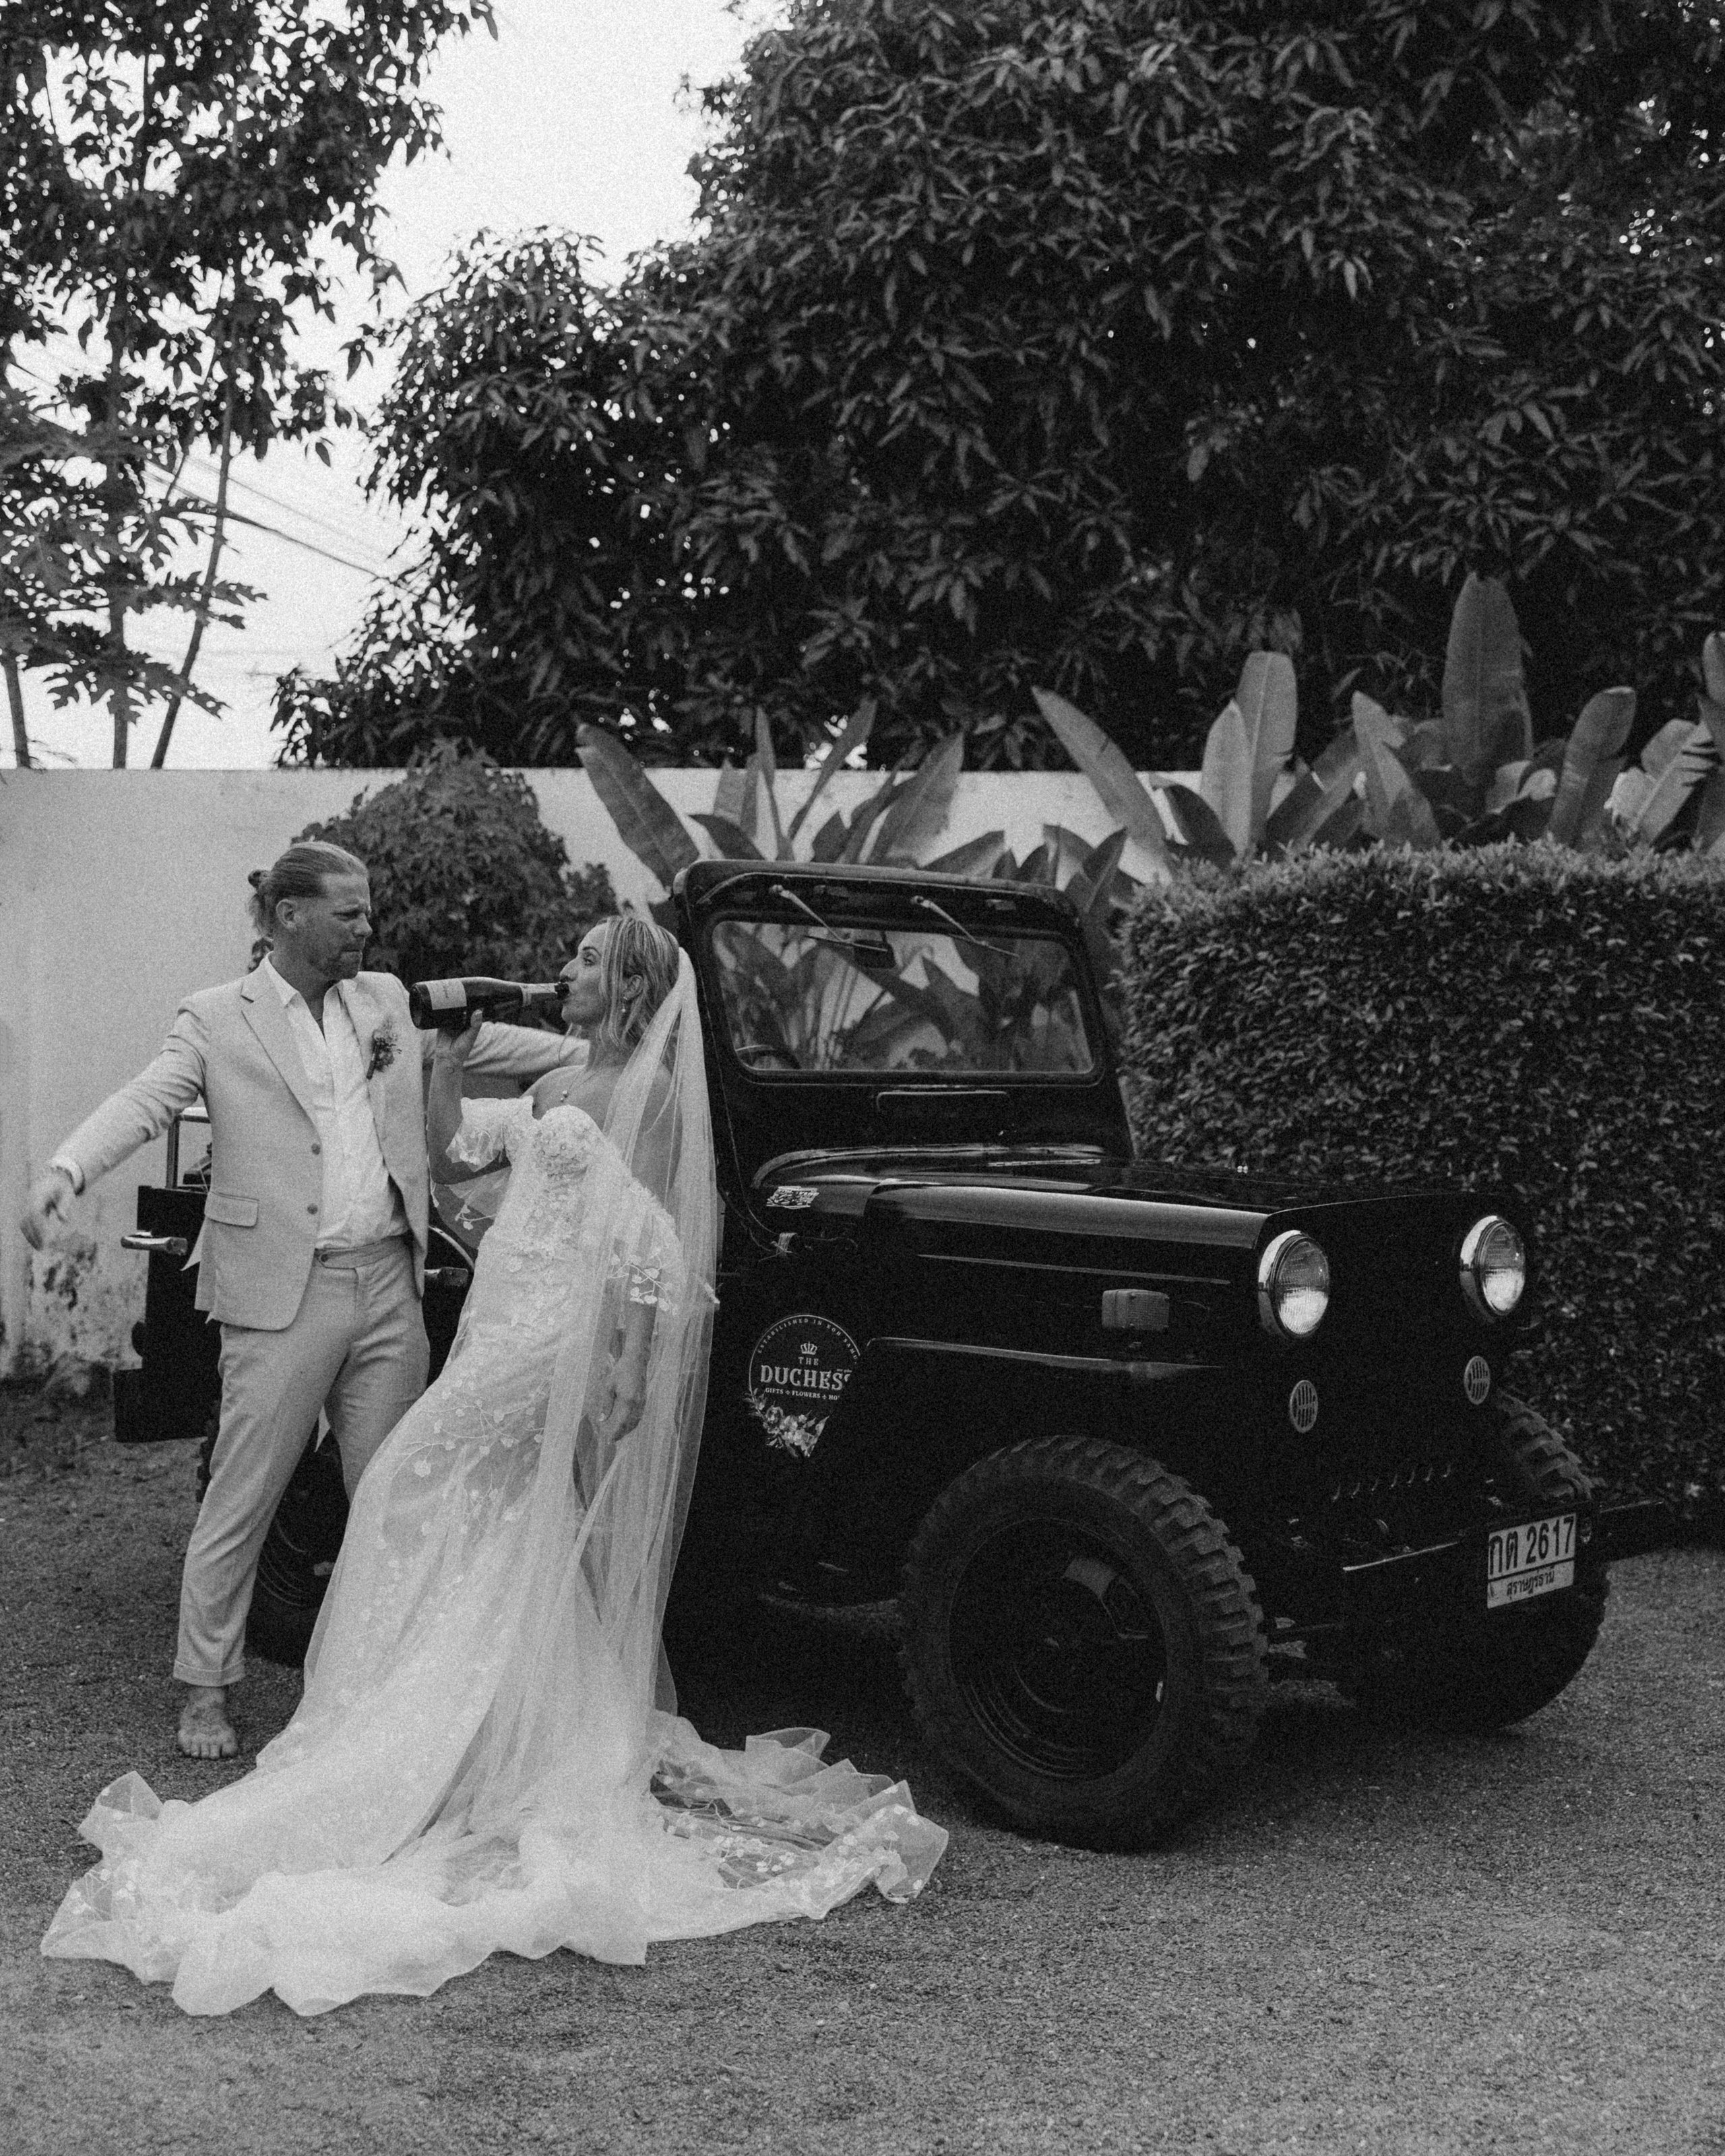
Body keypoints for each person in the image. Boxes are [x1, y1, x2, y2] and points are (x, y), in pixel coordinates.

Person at [41, 916, 947, 2015]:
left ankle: (430, 1719)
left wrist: (619, 1364)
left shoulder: (649, 1096)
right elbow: (460, 1156)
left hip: (552, 1341)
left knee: (406, 1476)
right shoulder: (572, 1071)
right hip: (505, 1319)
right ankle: (484, 1716)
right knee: (500, 1518)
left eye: (579, 962)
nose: (558, 970)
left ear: (621, 986)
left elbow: (654, 1238)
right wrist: (443, 1071)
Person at [18, 842, 581, 1762]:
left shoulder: (387, 1000)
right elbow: (146, 1104)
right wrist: (66, 1170)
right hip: (281, 1290)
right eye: (349, 913)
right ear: (289, 916)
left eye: (368, 913)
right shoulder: (213, 1018)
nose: (368, 928)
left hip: (387, 1284)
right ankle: (205, 1688)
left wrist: (619, 1052)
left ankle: (391, 1687)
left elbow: (490, 1046)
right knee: (244, 1496)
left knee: (393, 1495)